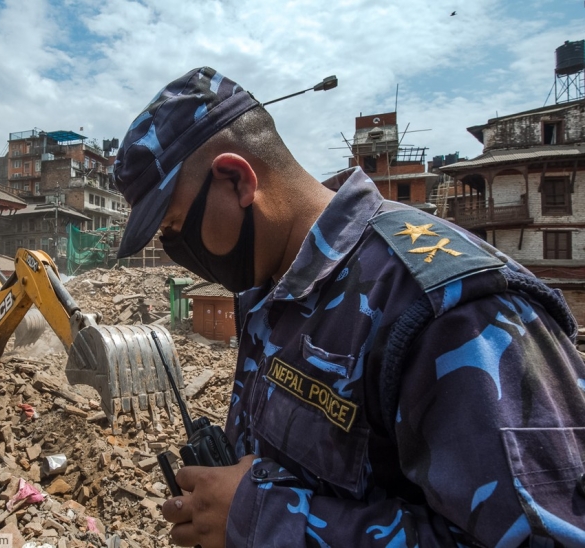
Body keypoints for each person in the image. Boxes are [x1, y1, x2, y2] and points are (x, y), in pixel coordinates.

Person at [113, 67, 585, 547]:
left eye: (174, 226)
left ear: (236, 180)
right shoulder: (266, 289)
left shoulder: (446, 307)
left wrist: (262, 519)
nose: (175, 247)